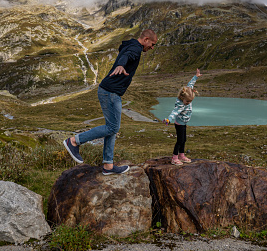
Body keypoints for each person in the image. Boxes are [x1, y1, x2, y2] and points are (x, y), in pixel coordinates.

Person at [63, 29, 157, 175]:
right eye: (152, 44)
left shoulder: (131, 44)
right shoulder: (135, 48)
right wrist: (120, 65)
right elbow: (126, 56)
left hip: (111, 92)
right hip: (110, 92)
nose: (152, 47)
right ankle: (74, 141)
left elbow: (125, 52)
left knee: (112, 127)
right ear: (145, 39)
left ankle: (108, 166)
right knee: (113, 127)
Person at [163, 68, 202, 165]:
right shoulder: (180, 105)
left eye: (190, 101)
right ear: (182, 97)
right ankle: (174, 158)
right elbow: (174, 112)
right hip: (179, 123)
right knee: (180, 140)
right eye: (188, 101)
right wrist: (169, 119)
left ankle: (182, 155)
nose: (189, 103)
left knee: (184, 139)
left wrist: (196, 76)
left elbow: (190, 84)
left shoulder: (187, 92)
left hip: (184, 122)